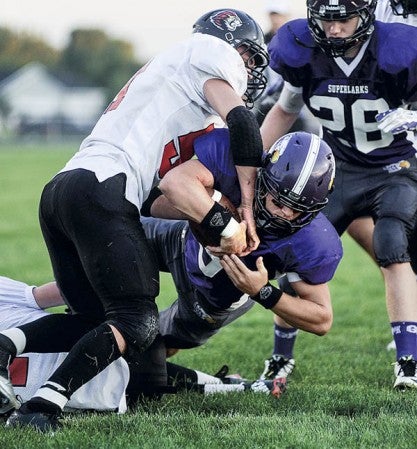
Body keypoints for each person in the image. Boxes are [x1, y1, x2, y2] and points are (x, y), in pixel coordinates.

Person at [0, 8, 270, 430]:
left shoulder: (174, 92)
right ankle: (41, 408)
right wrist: (240, 216)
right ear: (231, 46)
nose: (249, 70)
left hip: (64, 190)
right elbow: (242, 122)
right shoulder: (209, 52)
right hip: (101, 187)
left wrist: (208, 222)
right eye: (249, 58)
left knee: (94, 323)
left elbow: (155, 202)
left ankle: (4, 348)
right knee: (137, 319)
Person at [260, 0, 417, 389]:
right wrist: (248, 166)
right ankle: (280, 357)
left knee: (392, 242)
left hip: (393, 167)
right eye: (327, 20)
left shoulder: (398, 48)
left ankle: (409, 360)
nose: (333, 29)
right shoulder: (304, 51)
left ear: (364, 15)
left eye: (343, 19)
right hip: (336, 169)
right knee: (294, 247)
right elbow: (284, 110)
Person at [154, 129, 341, 381]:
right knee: (104, 244)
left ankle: (209, 381)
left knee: (153, 344)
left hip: (214, 298)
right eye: (278, 200)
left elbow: (322, 320)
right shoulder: (237, 165)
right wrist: (224, 224)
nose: (284, 213)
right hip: (179, 239)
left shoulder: (313, 240)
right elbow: (170, 186)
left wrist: (262, 291)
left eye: (297, 209)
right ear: (264, 176)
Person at [0, 275, 285, 422]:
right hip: (98, 370)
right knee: (146, 369)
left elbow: (43, 297)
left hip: (92, 374)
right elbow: (44, 297)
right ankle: (233, 385)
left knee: (140, 367)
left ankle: (232, 385)